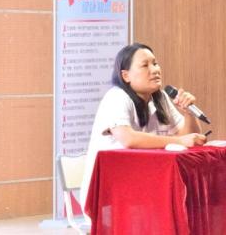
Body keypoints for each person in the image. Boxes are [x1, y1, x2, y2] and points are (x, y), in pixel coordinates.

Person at [79, 43, 207, 214]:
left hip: (145, 188)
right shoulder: (116, 97)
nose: (154, 70)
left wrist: (188, 113)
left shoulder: (160, 97)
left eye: (155, 63)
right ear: (126, 76)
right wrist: (178, 141)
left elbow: (189, 137)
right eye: (145, 65)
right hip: (110, 195)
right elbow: (128, 139)